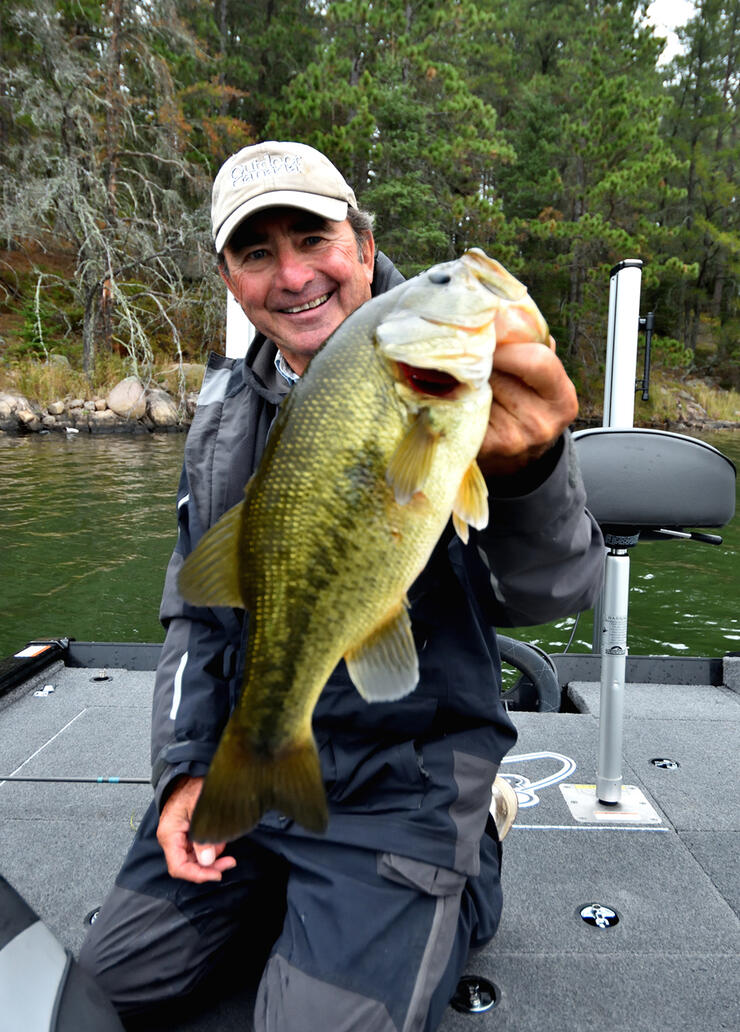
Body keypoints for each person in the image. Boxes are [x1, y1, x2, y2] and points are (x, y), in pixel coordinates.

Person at [79, 141, 604, 1030]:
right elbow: (196, 623)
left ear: (362, 245)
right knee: (108, 984)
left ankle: (464, 862)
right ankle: (298, 864)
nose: (291, 276)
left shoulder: (453, 384)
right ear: (230, 279)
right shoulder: (217, 417)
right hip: (266, 751)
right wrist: (183, 774)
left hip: (408, 780)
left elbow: (553, 594)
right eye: (256, 252)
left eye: (313, 238)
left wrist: (531, 471)